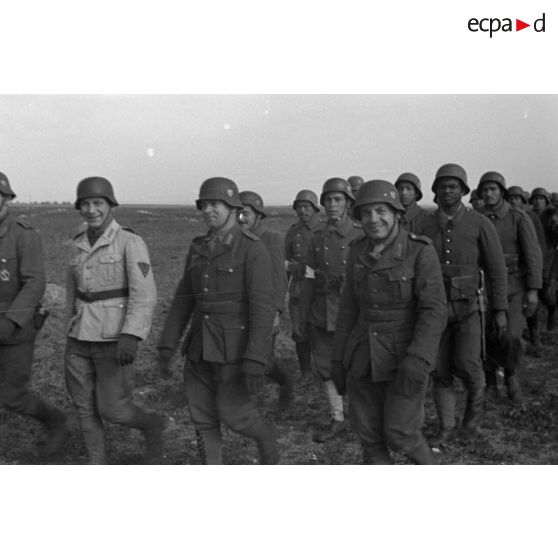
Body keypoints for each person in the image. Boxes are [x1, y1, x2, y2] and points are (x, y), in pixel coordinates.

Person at [157, 177, 278, 464]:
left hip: (234, 351)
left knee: (236, 417)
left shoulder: (252, 248)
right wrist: (167, 345)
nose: (209, 210)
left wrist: (255, 359)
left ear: (233, 208)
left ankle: (267, 442)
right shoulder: (198, 246)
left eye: (216, 204)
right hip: (199, 349)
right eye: (204, 205)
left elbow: (263, 308)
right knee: (202, 419)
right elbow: (184, 300)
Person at [331, 180, 446, 464]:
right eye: (366, 213)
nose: (373, 219)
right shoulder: (357, 251)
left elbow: (433, 310)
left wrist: (418, 359)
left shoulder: (420, 251)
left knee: (401, 433)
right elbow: (348, 309)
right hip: (362, 357)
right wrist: (337, 359)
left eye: (381, 211)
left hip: (403, 357)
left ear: (396, 213)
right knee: (369, 437)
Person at [65, 176, 164, 464]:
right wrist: (67, 334)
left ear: (110, 205)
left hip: (113, 341)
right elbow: (72, 293)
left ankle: (151, 425)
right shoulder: (76, 244)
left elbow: (145, 294)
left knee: (113, 410)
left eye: (97, 203)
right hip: (78, 339)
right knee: (84, 407)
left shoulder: (130, 241)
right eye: (85, 204)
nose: (91, 210)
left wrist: (131, 335)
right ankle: (98, 462)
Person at [416, 164, 508, 444]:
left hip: (469, 309)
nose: (447, 190)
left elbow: (496, 268)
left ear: (464, 191)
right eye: (442, 186)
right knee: (440, 369)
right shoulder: (425, 225)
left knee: (469, 365)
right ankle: (446, 426)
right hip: (435, 310)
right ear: (435, 191)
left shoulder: (480, 223)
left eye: (453, 186)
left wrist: (501, 309)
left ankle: (471, 423)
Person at [0, 172, 67, 458]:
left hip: (15, 331)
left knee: (12, 397)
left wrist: (9, 321)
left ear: (7, 200)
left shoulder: (23, 235)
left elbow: (34, 283)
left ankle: (56, 421)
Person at [299, 177, 363, 439]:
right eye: (328, 200)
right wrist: (303, 316)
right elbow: (309, 278)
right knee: (326, 367)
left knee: (358, 366)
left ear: (348, 203)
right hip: (322, 312)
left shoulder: (361, 235)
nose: (332, 205)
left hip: (353, 312)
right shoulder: (316, 238)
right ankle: (338, 417)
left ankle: (361, 417)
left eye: (338, 199)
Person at [477, 172, 542, 401]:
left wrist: (533, 290)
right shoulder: (476, 217)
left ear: (502, 192)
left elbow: (533, 255)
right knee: (487, 335)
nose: (489, 193)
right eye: (485, 190)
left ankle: (512, 375)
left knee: (511, 334)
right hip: (485, 287)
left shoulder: (518, 218)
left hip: (514, 286)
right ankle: (491, 381)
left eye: (493, 189)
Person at [239, 190, 293, 411]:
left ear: (258, 215)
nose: (240, 219)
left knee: (263, 359)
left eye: (245, 214)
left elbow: (280, 279)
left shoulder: (271, 239)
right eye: (237, 214)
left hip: (265, 310)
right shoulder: (236, 239)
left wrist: (276, 313)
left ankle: (283, 385)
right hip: (242, 310)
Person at [284, 190, 322, 380]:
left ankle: (325, 370)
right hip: (299, 287)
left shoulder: (324, 229)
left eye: (306, 207)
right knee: (299, 330)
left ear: (315, 209)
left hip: (319, 287)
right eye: (299, 207)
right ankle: (306, 372)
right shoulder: (293, 231)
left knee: (321, 329)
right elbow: (285, 261)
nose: (303, 210)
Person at [507, 186, 547, 349]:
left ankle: (535, 336)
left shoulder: (528, 217)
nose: (513, 201)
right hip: (510, 273)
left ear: (523, 201)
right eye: (511, 198)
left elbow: (538, 246)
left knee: (530, 308)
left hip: (525, 270)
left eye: (517, 198)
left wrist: (538, 270)